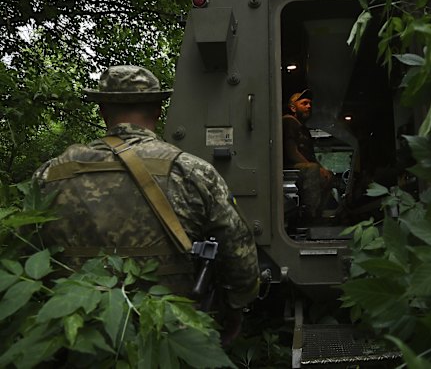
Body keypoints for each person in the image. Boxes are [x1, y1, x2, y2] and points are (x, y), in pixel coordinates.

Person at [32, 65, 259, 344]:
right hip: (170, 334)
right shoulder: (192, 171)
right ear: (158, 110)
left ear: (103, 111)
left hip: (78, 333)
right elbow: (239, 255)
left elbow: (31, 252)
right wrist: (236, 306)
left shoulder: (50, 174)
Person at [282, 89, 333, 220]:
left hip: (302, 167)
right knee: (312, 169)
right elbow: (291, 151)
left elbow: (311, 156)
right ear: (293, 107)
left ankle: (319, 214)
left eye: (310, 103)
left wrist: (323, 170)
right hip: (290, 166)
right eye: (304, 103)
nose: (309, 106)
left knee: (328, 174)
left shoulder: (304, 129)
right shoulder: (289, 121)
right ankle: (309, 214)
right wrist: (315, 167)